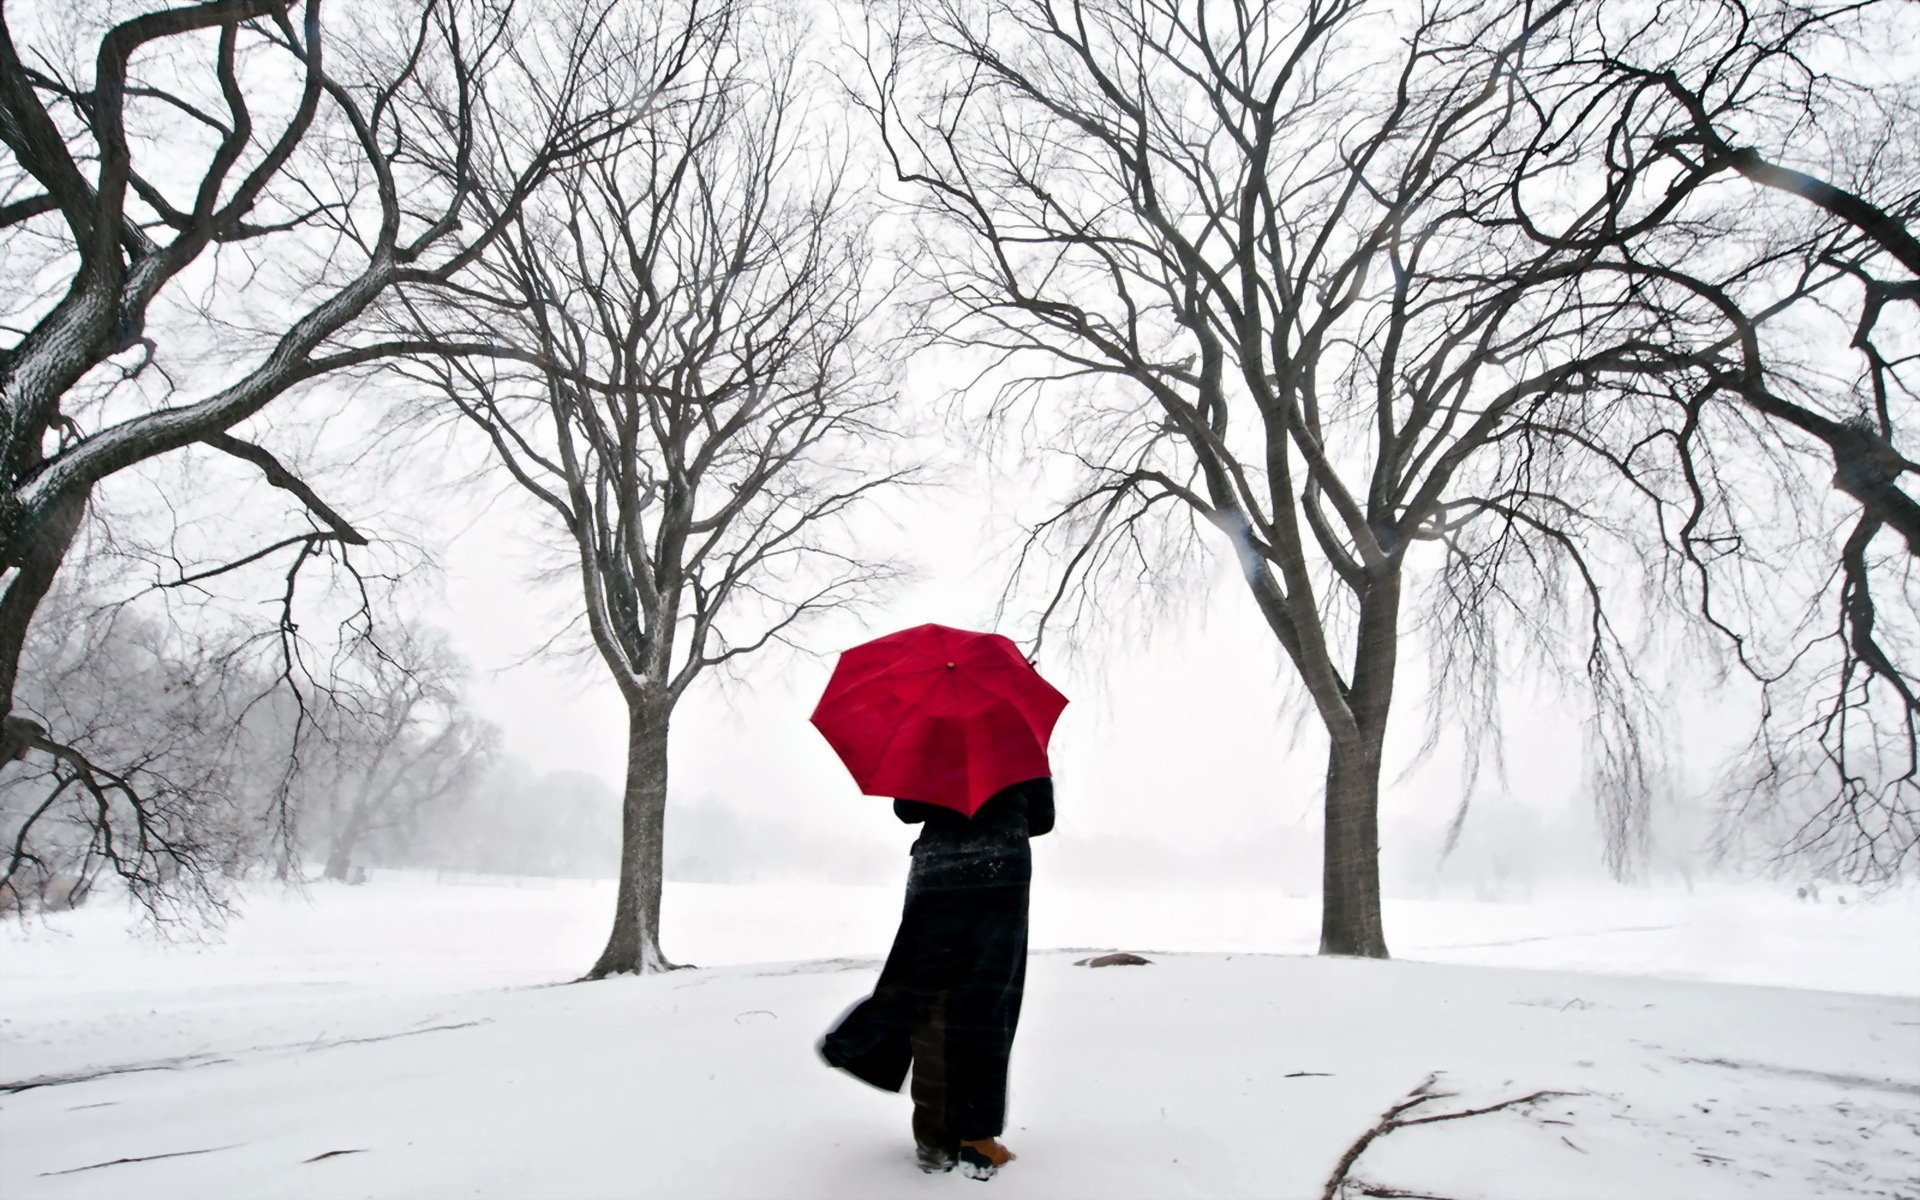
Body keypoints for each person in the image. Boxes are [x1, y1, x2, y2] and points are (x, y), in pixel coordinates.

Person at [818, 776, 1054, 1180]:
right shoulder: (1022, 741)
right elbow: (1042, 820)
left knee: (925, 985)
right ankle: (976, 1141)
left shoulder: (931, 738)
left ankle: (933, 1135)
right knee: (986, 999)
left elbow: (907, 810)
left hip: (940, 868)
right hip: (1002, 871)